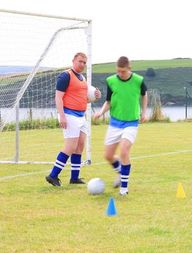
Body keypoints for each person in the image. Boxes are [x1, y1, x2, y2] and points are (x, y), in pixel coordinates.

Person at [94, 56, 148, 195]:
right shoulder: (111, 81)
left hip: (131, 123)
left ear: (129, 69)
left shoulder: (138, 80)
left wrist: (144, 112)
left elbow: (144, 94)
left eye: (123, 71)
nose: (120, 74)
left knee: (124, 151)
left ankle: (124, 188)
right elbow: (109, 101)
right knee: (108, 155)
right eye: (118, 71)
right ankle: (120, 171)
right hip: (115, 123)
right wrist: (100, 112)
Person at [45, 52, 101, 186]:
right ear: (73, 61)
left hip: (81, 116)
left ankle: (74, 178)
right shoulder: (65, 76)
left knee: (80, 146)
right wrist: (62, 116)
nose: (82, 64)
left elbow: (83, 99)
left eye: (84, 62)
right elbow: (58, 97)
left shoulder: (82, 78)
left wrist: (95, 96)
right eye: (80, 61)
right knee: (70, 146)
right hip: (69, 115)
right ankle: (52, 176)